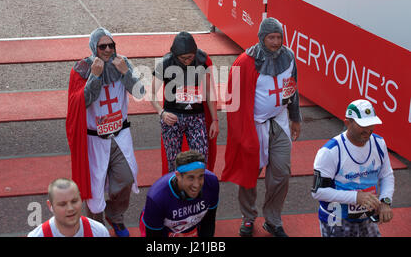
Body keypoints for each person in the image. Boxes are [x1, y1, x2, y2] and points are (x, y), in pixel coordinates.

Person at [221, 17, 302, 237]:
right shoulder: (244, 62)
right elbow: (233, 101)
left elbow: (291, 89)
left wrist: (296, 118)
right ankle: (248, 218)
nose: (276, 42)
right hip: (253, 126)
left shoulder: (289, 57)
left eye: (279, 37)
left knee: (282, 173)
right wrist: (239, 134)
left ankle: (273, 220)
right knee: (249, 175)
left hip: (280, 122)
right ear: (261, 38)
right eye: (271, 37)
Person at [66, 27, 145, 237]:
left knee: (127, 178)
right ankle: (96, 228)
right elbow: (80, 102)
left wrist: (125, 73)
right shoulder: (82, 69)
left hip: (120, 135)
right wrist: (95, 76)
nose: (108, 50)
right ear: (94, 47)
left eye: (111, 45)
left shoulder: (123, 62)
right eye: (103, 46)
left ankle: (115, 215)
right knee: (94, 187)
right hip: (94, 139)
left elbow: (140, 92)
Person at [312, 99, 394, 237]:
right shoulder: (330, 151)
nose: (368, 129)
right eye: (363, 125)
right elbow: (318, 192)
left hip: (367, 217)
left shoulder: (379, 143)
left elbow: (387, 175)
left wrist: (385, 201)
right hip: (336, 218)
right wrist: (355, 197)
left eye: (371, 123)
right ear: (347, 123)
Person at [150, 31, 219, 173]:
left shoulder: (201, 60)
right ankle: (175, 193)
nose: (187, 61)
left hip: (196, 117)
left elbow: (209, 92)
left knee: (201, 159)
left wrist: (215, 120)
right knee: (173, 163)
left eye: (190, 57)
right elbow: (151, 94)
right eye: (183, 58)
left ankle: (198, 193)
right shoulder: (165, 63)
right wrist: (161, 112)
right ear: (175, 55)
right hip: (172, 117)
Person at [139, 150, 219, 237]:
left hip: (186, 227)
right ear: (178, 176)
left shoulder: (211, 182)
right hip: (162, 229)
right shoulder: (157, 197)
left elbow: (208, 222)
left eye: (201, 176)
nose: (197, 185)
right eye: (190, 178)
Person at [27, 178, 110, 237]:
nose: (70, 208)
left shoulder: (99, 232)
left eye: (74, 201)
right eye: (62, 204)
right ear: (50, 205)